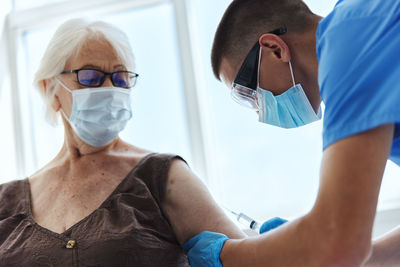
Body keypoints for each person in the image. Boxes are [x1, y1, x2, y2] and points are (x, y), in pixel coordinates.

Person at [0, 18, 248, 266]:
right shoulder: (7, 202)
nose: (109, 89)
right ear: (49, 88)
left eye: (120, 78)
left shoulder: (162, 177)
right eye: (90, 77)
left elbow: (249, 258)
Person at [183, 0, 400, 266]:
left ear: (274, 49)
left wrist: (228, 256)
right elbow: (345, 244)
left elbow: (338, 242)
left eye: (248, 93)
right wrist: (308, 244)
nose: (257, 110)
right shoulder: (363, 42)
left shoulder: (349, 45)